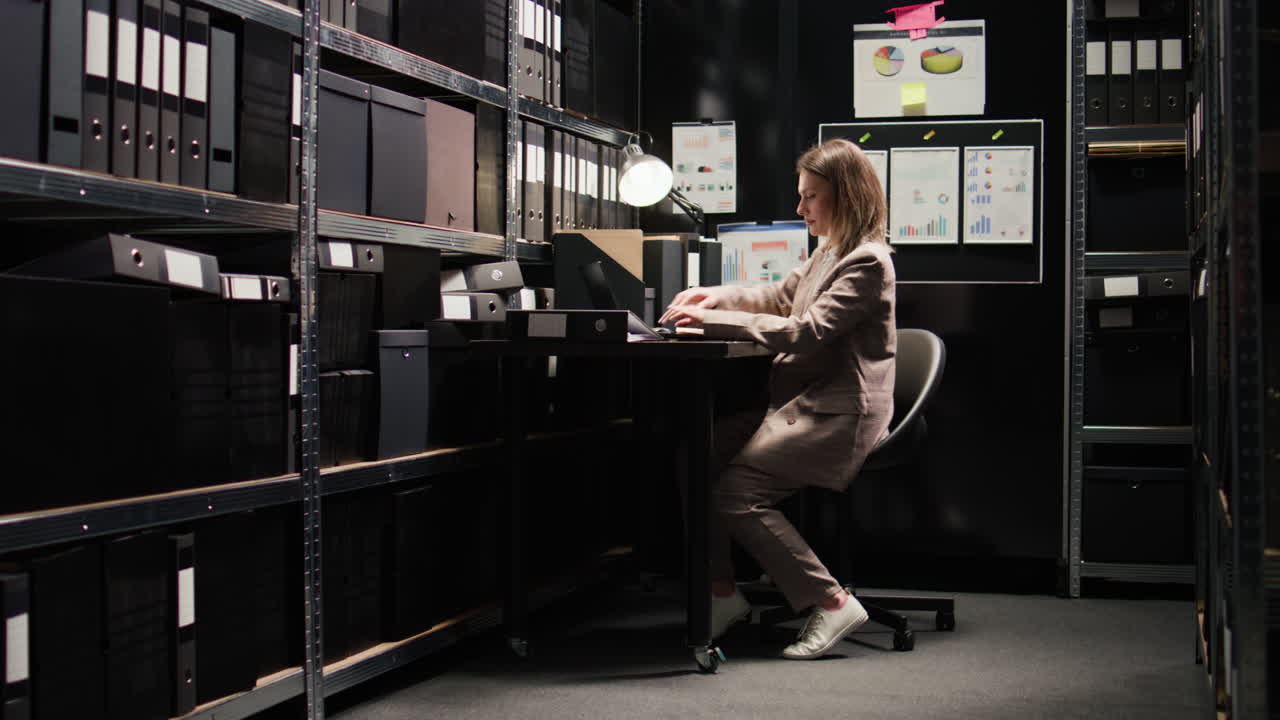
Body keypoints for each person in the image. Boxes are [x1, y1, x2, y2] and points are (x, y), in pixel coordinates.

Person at [658, 138, 896, 660]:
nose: (800, 208)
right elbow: (779, 296)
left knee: (735, 494)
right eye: (802, 196)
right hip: (802, 403)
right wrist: (714, 296)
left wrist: (715, 320)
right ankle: (722, 592)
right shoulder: (830, 250)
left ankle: (832, 601)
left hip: (840, 412)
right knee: (697, 456)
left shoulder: (868, 263)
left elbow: (807, 330)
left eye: (811, 197)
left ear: (846, 196)